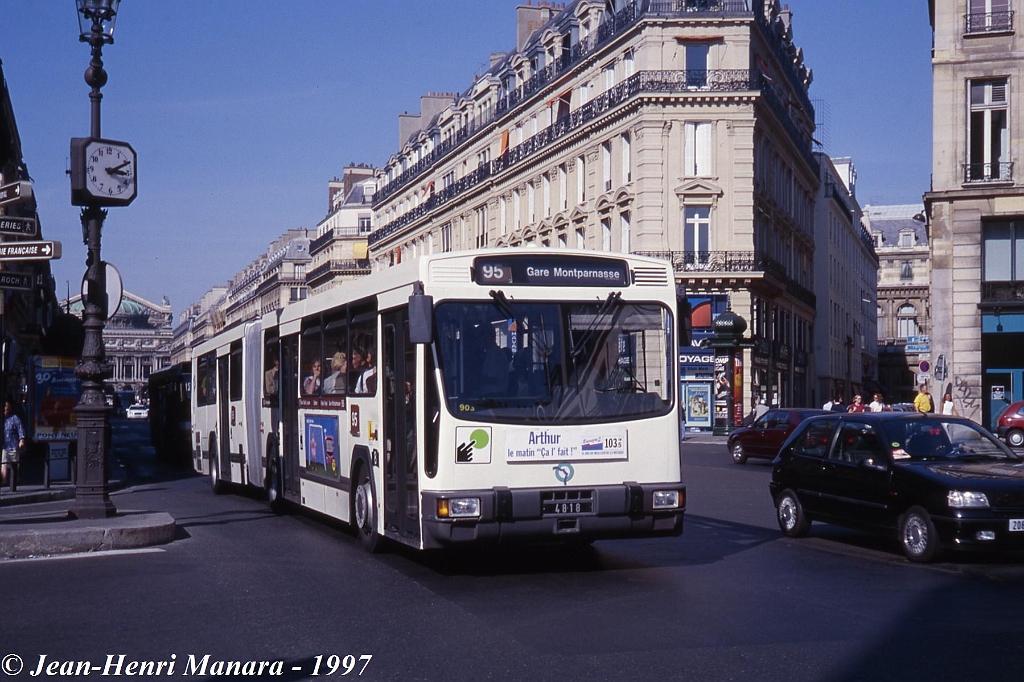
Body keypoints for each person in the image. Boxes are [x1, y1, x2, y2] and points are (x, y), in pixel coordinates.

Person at [2, 400, 26, 489]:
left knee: (14, 465)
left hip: (13, 445)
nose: (5, 412)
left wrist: (21, 439)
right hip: (5, 446)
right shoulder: (2, 419)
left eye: (6, 410)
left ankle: (15, 481)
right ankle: (4, 481)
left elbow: (20, 429)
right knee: (4, 463)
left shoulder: (14, 418)